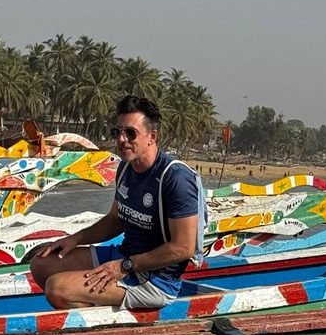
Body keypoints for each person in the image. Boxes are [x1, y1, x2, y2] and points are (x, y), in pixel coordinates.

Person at [31, 95, 204, 310]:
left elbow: (184, 248)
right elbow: (115, 219)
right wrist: (75, 239)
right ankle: (99, 306)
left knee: (57, 288)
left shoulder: (175, 178)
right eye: (117, 132)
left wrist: (125, 266)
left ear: (152, 137)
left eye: (130, 133)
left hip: (155, 280)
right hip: (124, 257)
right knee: (41, 263)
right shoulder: (125, 168)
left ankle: (101, 320)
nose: (122, 139)